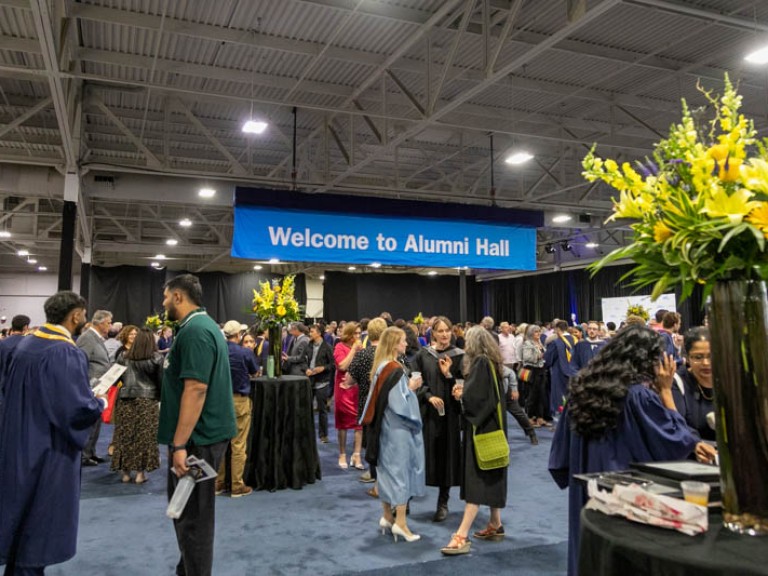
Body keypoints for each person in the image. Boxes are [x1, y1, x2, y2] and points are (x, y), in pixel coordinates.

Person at [548, 324, 718, 576]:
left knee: (590, 553)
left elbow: (559, 457)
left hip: (586, 490)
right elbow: (674, 441)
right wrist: (664, 390)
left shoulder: (581, 391)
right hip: (624, 494)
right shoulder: (639, 396)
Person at [0, 291, 106, 575]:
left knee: (19, 514)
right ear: (75, 315)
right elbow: (74, 409)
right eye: (83, 314)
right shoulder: (64, 351)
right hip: (47, 449)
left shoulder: (25, 345)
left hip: (18, 440)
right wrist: (98, 402)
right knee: (39, 521)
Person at [157, 274, 236, 576]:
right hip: (198, 437)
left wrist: (179, 444)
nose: (163, 303)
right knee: (187, 515)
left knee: (194, 521)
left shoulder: (196, 332)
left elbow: (196, 389)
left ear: (178, 297)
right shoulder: (199, 327)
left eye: (166, 297)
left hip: (197, 440)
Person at [441, 326, 509, 556]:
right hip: (494, 428)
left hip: (482, 430)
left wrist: (462, 395)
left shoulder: (480, 363)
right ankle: (495, 524)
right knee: (492, 476)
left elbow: (477, 398)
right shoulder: (493, 363)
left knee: (477, 481)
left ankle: (461, 534)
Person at [362, 326, 425, 543]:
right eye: (402, 341)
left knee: (386, 472)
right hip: (397, 429)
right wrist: (412, 388)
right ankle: (401, 523)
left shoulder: (380, 367)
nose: (406, 344)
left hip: (383, 428)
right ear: (393, 344)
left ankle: (387, 516)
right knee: (400, 474)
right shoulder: (395, 369)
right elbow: (400, 405)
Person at [411, 316, 464, 522]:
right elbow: (414, 380)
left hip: (450, 415)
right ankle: (404, 501)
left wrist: (449, 374)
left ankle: (443, 503)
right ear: (433, 333)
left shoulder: (459, 356)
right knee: (421, 456)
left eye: (447, 331)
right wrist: (427, 395)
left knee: (447, 458)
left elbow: (461, 385)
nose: (444, 335)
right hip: (427, 415)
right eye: (440, 331)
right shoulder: (423, 355)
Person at [111, 327, 163, 484]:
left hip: (125, 399)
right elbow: (161, 382)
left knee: (124, 436)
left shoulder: (122, 356)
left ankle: (125, 473)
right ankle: (140, 474)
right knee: (144, 437)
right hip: (147, 401)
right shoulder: (156, 358)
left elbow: (114, 379)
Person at [214, 320, 258, 498]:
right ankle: (237, 486)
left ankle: (219, 483)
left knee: (222, 444)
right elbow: (255, 372)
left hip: (220, 400)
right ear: (239, 335)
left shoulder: (217, 351)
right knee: (238, 444)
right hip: (239, 400)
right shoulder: (244, 352)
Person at [76, 309, 113, 466]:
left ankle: (90, 452)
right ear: (100, 323)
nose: (110, 326)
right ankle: (84, 455)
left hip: (100, 387)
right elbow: (80, 363)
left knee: (96, 421)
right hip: (91, 388)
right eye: (109, 322)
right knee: (90, 422)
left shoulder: (97, 338)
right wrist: (90, 384)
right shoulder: (87, 338)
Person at [672, 327, 715, 441]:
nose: (706, 363)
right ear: (687, 358)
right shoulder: (677, 382)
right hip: (694, 453)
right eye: (698, 357)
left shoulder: (731, 380)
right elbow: (677, 426)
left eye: (711, 356)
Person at [334, 322, 364, 469]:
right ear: (349, 334)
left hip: (358, 388)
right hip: (343, 388)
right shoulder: (339, 347)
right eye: (355, 334)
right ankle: (342, 454)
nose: (358, 337)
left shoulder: (361, 348)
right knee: (343, 423)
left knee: (359, 423)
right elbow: (342, 366)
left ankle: (357, 455)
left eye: (359, 334)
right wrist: (353, 350)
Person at [303, 324, 334, 443]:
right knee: (307, 409)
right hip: (309, 381)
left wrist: (322, 368)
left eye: (312, 332)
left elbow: (332, 365)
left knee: (322, 410)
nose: (310, 334)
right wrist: (306, 368)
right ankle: (307, 434)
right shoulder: (308, 345)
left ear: (319, 333)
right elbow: (303, 360)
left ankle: (323, 435)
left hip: (322, 382)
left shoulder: (328, 347)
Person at [544, 320, 576, 419]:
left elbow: (548, 359)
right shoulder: (576, 339)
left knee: (559, 396)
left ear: (558, 329)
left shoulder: (556, 342)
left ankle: (560, 418)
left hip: (559, 372)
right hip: (574, 372)